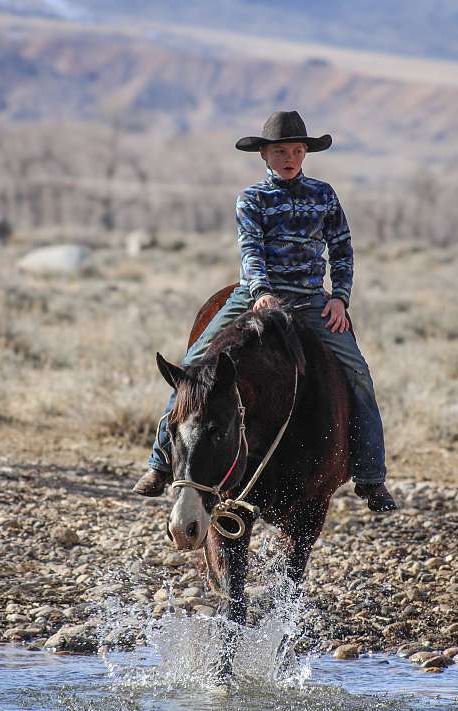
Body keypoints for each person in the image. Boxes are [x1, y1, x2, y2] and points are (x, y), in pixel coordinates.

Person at [133, 110, 396, 512]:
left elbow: (342, 250)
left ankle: (371, 476)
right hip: (252, 296)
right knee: (193, 366)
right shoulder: (252, 199)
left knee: (357, 372)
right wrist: (261, 292)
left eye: (295, 149)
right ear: (265, 156)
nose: (288, 157)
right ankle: (160, 463)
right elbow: (250, 250)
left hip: (310, 300)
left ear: (305, 152)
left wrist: (339, 297)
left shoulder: (323, 195)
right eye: (279, 151)